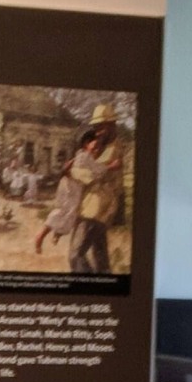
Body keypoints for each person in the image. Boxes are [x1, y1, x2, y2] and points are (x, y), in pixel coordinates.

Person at [66, 106, 125, 276]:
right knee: (101, 261)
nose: (97, 132)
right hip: (94, 208)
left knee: (75, 256)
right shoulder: (103, 146)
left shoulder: (113, 149)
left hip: (95, 209)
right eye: (96, 127)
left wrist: (71, 171)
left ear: (112, 124)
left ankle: (87, 290)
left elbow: (91, 175)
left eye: (101, 127)